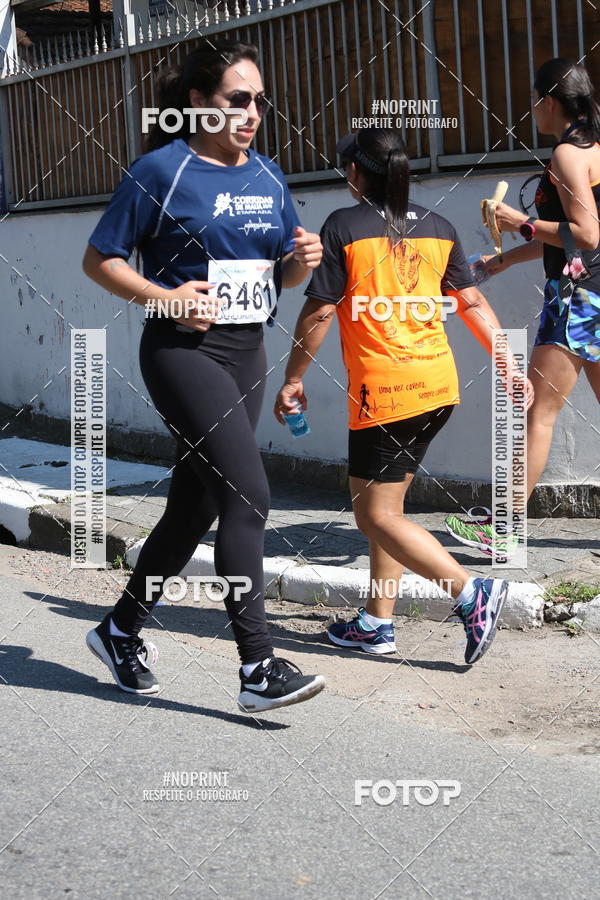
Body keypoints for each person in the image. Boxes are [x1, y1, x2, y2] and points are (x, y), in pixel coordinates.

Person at [82, 40, 326, 712]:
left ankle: (119, 629)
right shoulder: (161, 171)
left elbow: (284, 274)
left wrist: (303, 258)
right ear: (198, 102)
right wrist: (164, 297)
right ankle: (257, 669)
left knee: (195, 506)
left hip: (246, 354)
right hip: (184, 355)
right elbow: (100, 259)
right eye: (237, 100)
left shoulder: (269, 176)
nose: (252, 113)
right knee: (248, 497)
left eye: (258, 102)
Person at [274, 127, 534, 663]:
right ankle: (376, 623)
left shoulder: (343, 226)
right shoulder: (438, 226)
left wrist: (294, 376)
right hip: (437, 388)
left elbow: (320, 310)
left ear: (355, 173)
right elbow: (472, 303)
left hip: (385, 394)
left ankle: (470, 592)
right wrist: (509, 364)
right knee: (386, 507)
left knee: (374, 516)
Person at [446, 58, 600, 556]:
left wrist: (519, 222)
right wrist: (504, 260)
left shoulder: (566, 156)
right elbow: (572, 234)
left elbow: (586, 235)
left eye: (534, 100)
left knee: (535, 410)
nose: (532, 109)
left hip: (577, 299)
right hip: (593, 294)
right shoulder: (594, 148)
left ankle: (505, 529)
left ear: (549, 101)